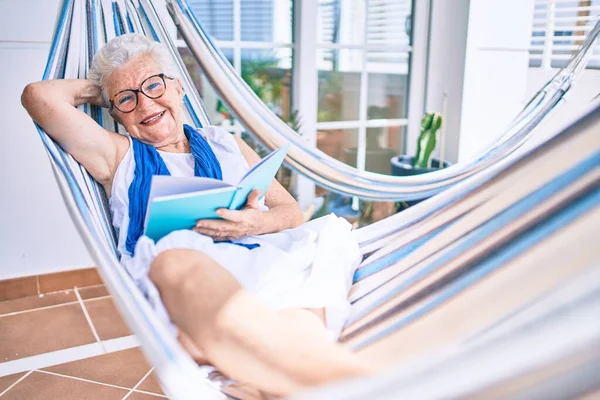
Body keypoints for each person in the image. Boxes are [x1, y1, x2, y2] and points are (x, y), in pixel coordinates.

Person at [21, 33, 372, 396]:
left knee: (314, 272)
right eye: (128, 100)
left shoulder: (226, 143)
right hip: (189, 275)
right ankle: (339, 382)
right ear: (116, 113)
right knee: (176, 262)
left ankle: (283, 377)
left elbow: (291, 212)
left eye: (155, 85)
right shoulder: (115, 156)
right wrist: (105, 89)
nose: (145, 105)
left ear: (179, 88)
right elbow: (39, 97)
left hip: (264, 259)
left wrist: (256, 222)